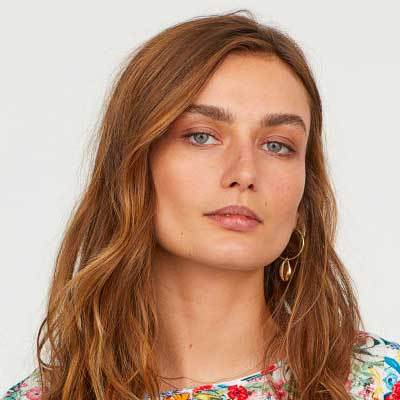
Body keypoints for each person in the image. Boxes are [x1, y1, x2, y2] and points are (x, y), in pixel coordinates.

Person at [2, 9, 400, 400]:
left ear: (304, 191)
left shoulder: (380, 384)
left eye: (277, 145)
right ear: (134, 165)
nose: (245, 172)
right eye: (201, 136)